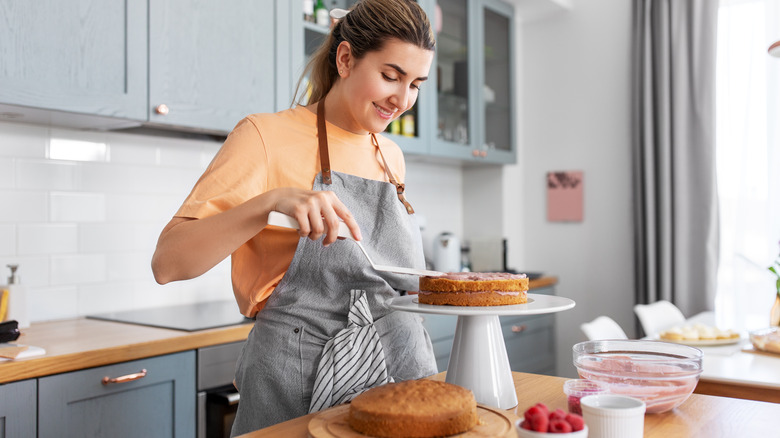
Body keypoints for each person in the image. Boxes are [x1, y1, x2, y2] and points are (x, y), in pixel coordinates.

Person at [151, 0, 438, 433]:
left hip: (397, 367)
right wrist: (269, 202)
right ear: (345, 58)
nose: (402, 100)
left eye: (416, 84)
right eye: (390, 76)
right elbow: (168, 263)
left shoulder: (390, 154)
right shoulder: (265, 136)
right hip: (299, 376)